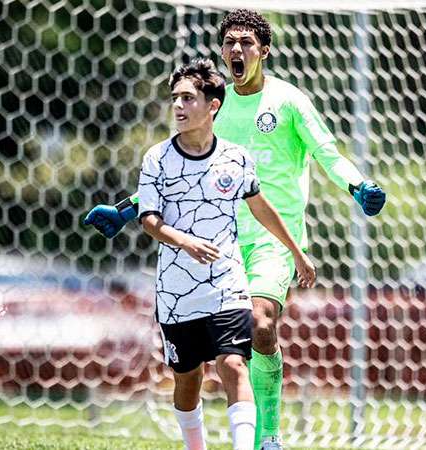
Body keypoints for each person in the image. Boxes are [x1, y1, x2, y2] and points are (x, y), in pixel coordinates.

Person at [83, 58, 315, 450]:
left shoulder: (236, 157)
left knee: (234, 364)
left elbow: (260, 206)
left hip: (226, 282)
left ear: (213, 106)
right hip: (176, 290)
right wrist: (185, 242)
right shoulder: (157, 159)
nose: (178, 106)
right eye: (175, 98)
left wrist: (296, 252)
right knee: (187, 379)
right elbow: (151, 221)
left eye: (188, 98)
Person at [214, 10, 387, 449]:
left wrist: (357, 184)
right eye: (230, 42)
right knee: (214, 349)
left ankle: (267, 437)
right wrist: (129, 209)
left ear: (264, 50)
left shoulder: (288, 100)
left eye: (247, 43)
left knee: (261, 325)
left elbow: (328, 153)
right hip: (219, 241)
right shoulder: (215, 104)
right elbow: (181, 161)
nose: (238, 50)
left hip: (276, 240)